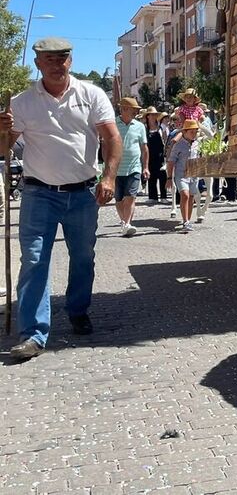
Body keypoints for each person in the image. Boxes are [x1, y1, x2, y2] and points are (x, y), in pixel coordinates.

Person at [0, 37, 122, 362]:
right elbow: (3, 149)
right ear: (37, 63)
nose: (56, 64)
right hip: (38, 193)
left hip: (82, 193)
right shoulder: (23, 103)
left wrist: (108, 177)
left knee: (83, 257)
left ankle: (78, 310)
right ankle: (33, 334)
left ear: (71, 60)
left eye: (62, 58)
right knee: (35, 259)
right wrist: (2, 132)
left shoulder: (91, 94)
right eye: (49, 59)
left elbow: (112, 137)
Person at [114, 97, 148, 236]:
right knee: (118, 199)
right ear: (123, 109)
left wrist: (145, 167)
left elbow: (144, 148)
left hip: (134, 167)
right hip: (116, 168)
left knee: (130, 197)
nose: (136, 112)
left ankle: (127, 223)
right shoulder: (113, 124)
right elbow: (105, 145)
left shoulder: (139, 126)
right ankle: (123, 221)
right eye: (133, 110)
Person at [166, 119, 201, 232]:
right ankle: (185, 221)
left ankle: (188, 221)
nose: (194, 134)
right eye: (191, 132)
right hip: (181, 175)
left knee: (191, 197)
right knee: (185, 195)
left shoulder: (197, 144)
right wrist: (169, 178)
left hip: (194, 175)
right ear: (185, 132)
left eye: (195, 132)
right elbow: (171, 162)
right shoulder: (178, 145)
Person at [141, 106, 168, 203]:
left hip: (160, 155)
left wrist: (166, 154)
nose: (154, 116)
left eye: (155, 115)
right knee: (151, 176)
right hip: (149, 155)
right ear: (147, 116)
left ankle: (164, 196)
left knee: (162, 176)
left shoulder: (161, 128)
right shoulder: (144, 129)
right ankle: (152, 197)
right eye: (152, 115)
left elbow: (165, 141)